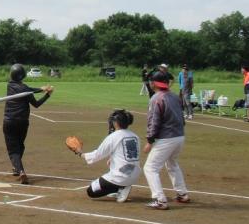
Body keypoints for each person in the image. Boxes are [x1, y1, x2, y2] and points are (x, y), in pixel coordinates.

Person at [67, 110, 141, 203]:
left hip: (120, 176)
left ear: (116, 123)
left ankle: (121, 188)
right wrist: (111, 158)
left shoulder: (113, 136)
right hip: (134, 173)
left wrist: (80, 153)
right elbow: (125, 152)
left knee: (91, 191)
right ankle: (122, 186)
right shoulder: (135, 136)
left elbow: (97, 155)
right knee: (112, 164)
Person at [143, 71, 190, 210]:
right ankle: (182, 194)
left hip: (167, 138)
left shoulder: (156, 98)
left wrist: (150, 141)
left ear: (154, 83)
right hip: (179, 136)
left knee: (150, 168)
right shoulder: (175, 96)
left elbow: (154, 122)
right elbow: (182, 119)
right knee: (172, 164)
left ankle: (160, 199)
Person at [2, 63, 53, 185]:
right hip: (22, 123)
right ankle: (17, 168)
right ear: (22, 76)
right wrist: (47, 94)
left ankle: (20, 171)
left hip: (9, 122)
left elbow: (28, 90)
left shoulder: (9, 86)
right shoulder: (25, 89)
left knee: (13, 150)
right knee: (20, 146)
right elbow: (36, 103)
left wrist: (41, 89)